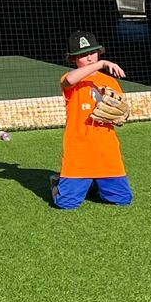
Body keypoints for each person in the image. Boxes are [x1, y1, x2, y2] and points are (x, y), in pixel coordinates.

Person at [56, 33, 133, 209]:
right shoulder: (70, 78)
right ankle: (60, 182)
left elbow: (122, 112)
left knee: (122, 199)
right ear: (73, 58)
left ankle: (93, 184)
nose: (90, 58)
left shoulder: (109, 81)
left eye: (93, 52)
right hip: (78, 150)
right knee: (66, 204)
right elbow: (70, 80)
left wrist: (123, 115)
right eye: (83, 55)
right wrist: (102, 64)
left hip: (106, 150)